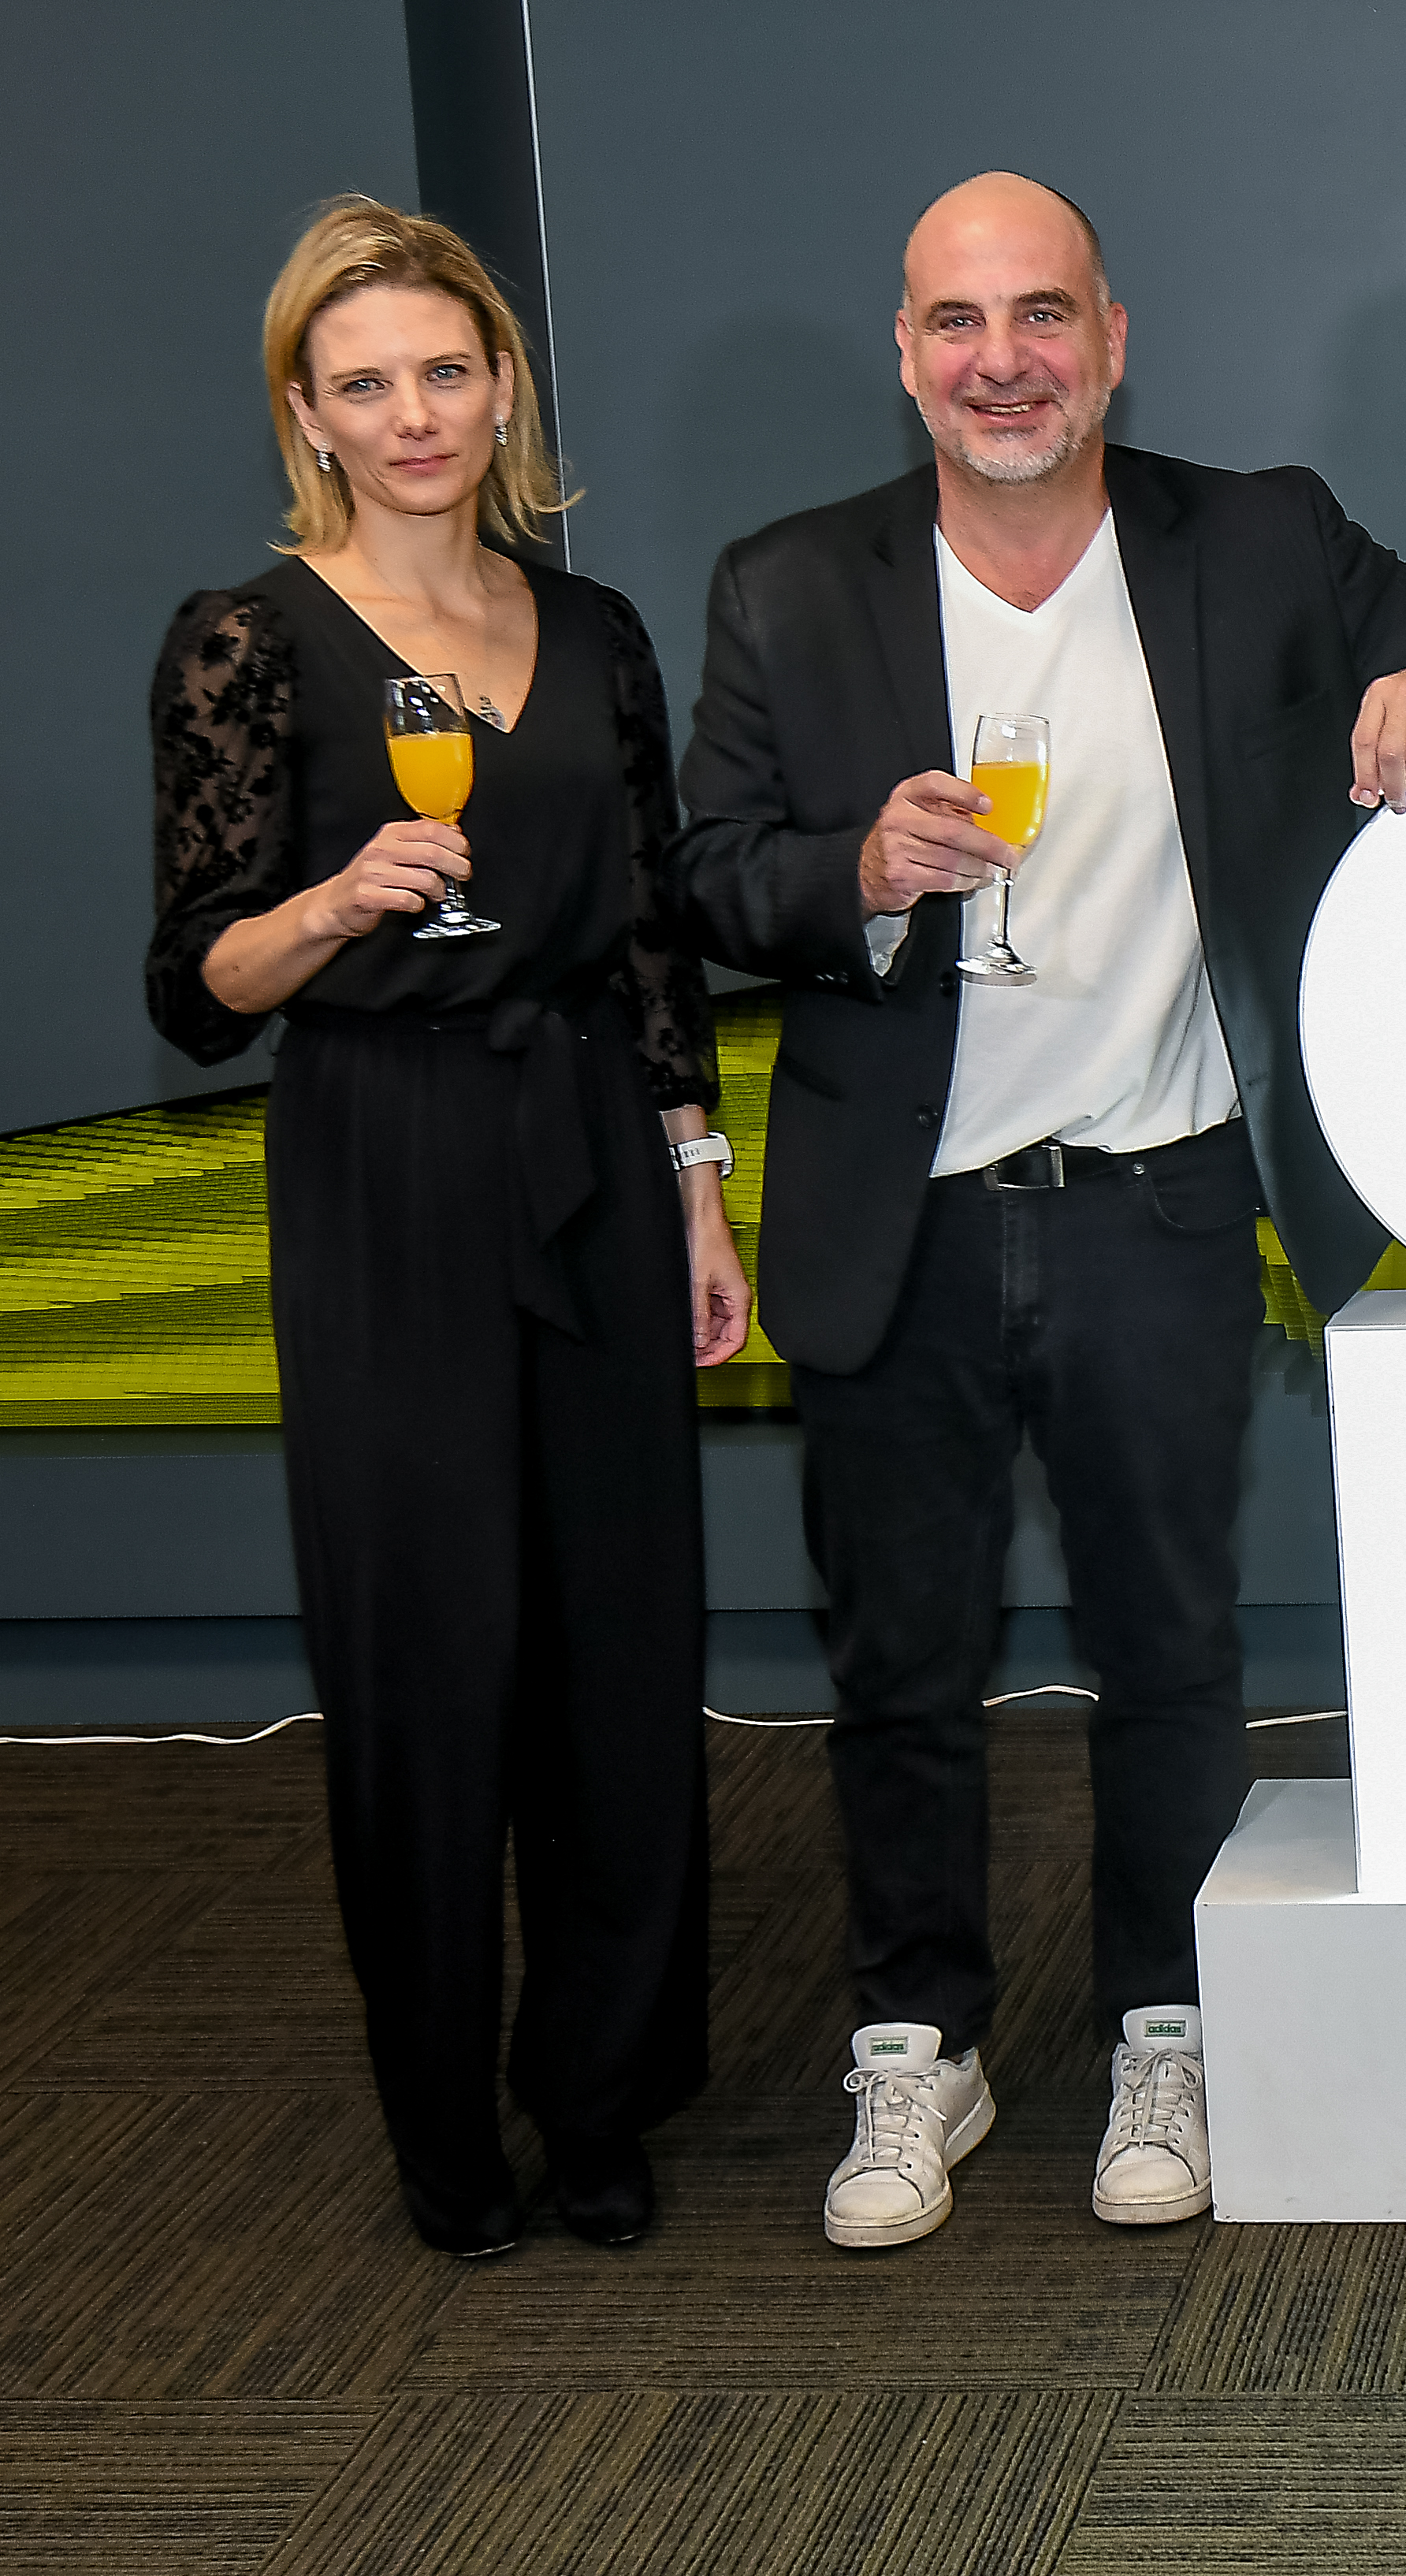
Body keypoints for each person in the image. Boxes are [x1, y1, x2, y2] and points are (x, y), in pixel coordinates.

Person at [669, 173, 1406, 2250]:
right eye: (958, 324)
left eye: (1043, 317)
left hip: (1156, 1201)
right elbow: (709, 874)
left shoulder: (1252, 535)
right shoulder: (790, 585)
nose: (1004, 360)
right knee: (900, 1664)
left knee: (1167, 1651)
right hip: (892, 1213)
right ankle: (921, 2045)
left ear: (1110, 338)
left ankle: (1167, 2023)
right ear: (904, 352)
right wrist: (853, 873)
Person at [146, 198, 748, 2257]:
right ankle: (441, 2125)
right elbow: (194, 987)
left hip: (591, 1136)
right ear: (307, 414)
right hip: (386, 1150)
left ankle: (597, 2087)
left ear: (501, 386)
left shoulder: (594, 632)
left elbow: (658, 927)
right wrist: (329, 904)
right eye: (366, 382)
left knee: (615, 1636)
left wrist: (696, 1177)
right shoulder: (248, 635)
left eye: (447, 371)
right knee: (429, 1658)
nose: (415, 414)